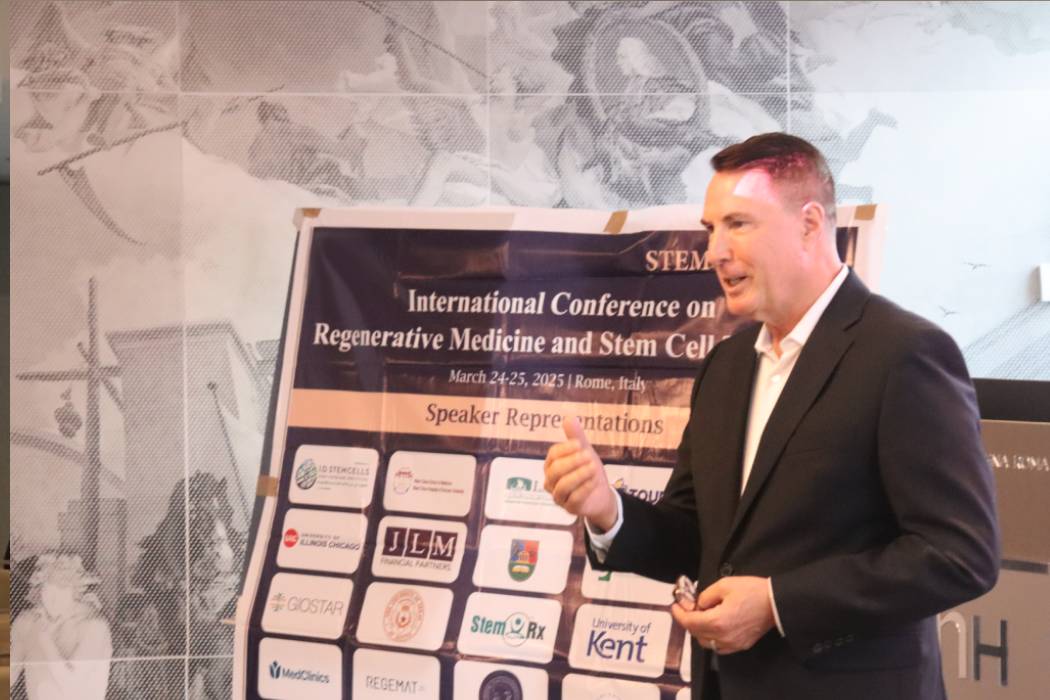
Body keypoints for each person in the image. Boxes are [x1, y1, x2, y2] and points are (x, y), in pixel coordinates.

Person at [544, 132, 1000, 699]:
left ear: (809, 224)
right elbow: (697, 537)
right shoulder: (726, 367)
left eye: (738, 224)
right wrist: (606, 509)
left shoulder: (904, 353)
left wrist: (777, 604)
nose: (714, 252)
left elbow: (959, 554)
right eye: (711, 229)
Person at [10, 553, 113, 699]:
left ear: (76, 590)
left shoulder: (94, 627)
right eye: (47, 589)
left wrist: (46, 642)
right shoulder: (27, 622)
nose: (53, 598)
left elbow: (73, 689)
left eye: (61, 589)